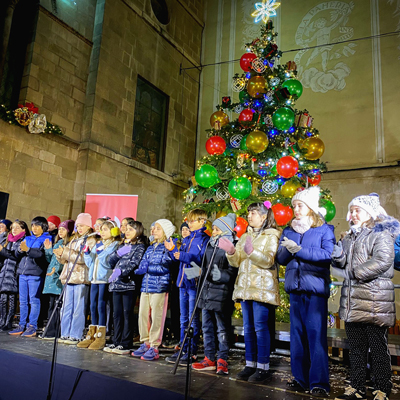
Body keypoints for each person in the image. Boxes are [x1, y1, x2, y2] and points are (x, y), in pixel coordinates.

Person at [332, 193, 400, 400]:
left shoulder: (381, 234)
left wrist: (354, 272)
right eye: (351, 210)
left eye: (357, 210)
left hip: (374, 302)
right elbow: (343, 265)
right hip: (354, 302)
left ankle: (382, 388)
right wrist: (338, 257)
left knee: (378, 349)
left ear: (369, 213)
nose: (352, 214)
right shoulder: (349, 237)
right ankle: (357, 386)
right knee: (356, 349)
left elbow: (383, 260)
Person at [276, 186, 335, 396]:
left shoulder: (324, 229)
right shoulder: (289, 230)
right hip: (295, 288)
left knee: (315, 336)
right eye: (294, 206)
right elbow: (281, 259)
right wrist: (286, 250)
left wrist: (300, 250)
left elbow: (328, 255)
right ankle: (300, 378)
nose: (296, 209)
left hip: (315, 289)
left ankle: (319, 382)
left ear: (310, 207)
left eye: (299, 205)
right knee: (297, 335)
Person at [220, 203, 281, 383]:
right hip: (246, 288)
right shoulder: (245, 235)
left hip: (262, 288)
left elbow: (269, 260)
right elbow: (237, 262)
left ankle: (263, 366)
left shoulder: (272, 235)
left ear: (263, 217)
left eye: (254, 213)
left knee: (261, 327)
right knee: (248, 328)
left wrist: (252, 252)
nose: (250, 215)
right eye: (249, 213)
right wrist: (231, 252)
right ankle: (250, 364)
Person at [191, 213, 238, 375]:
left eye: (217, 230)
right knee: (207, 326)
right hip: (206, 291)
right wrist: (198, 271)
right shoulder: (210, 245)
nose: (214, 232)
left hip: (222, 294)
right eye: (214, 229)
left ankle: (222, 359)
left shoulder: (232, 246)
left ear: (226, 230)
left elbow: (233, 272)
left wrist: (222, 276)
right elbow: (206, 268)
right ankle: (209, 357)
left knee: (222, 328)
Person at [165, 209, 209, 365]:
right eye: (188, 221)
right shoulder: (187, 239)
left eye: (192, 221)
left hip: (193, 283)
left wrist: (182, 255)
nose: (189, 224)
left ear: (202, 221)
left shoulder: (204, 239)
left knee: (192, 319)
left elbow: (201, 259)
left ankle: (191, 351)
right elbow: (178, 258)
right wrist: (172, 250)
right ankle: (183, 349)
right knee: (183, 319)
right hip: (183, 282)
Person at [132, 219, 175, 361]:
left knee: (157, 316)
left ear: (165, 231)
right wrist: (140, 268)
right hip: (146, 285)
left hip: (159, 286)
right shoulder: (150, 247)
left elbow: (166, 266)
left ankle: (154, 346)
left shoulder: (167, 246)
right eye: (153, 228)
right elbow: (144, 261)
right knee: (143, 314)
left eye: (157, 228)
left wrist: (147, 268)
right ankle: (145, 342)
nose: (153, 230)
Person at [105, 220, 147, 355]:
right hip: (116, 284)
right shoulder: (122, 245)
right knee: (116, 314)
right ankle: (116, 341)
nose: (127, 232)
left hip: (129, 284)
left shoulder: (140, 247)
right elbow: (110, 261)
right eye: (126, 229)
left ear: (138, 232)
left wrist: (121, 273)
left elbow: (135, 263)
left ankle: (125, 342)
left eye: (131, 229)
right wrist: (119, 253)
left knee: (126, 313)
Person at [79, 220, 120, 350]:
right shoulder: (99, 243)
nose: (102, 232)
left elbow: (107, 262)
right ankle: (92, 333)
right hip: (94, 278)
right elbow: (92, 263)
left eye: (105, 230)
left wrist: (101, 251)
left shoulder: (115, 245)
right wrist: (87, 254)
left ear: (113, 232)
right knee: (92, 305)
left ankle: (101, 335)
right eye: (101, 230)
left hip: (104, 279)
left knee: (101, 305)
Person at [57, 213, 96, 345]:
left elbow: (83, 259)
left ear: (89, 226)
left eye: (82, 225)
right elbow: (65, 260)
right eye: (78, 225)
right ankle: (64, 333)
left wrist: (66, 253)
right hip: (68, 277)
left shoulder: (91, 240)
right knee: (66, 307)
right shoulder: (73, 240)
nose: (79, 228)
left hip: (80, 277)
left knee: (78, 308)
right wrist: (60, 255)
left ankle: (76, 334)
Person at [9, 217, 51, 337]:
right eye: (33, 226)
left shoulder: (47, 239)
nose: (34, 228)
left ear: (43, 227)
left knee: (34, 301)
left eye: (37, 226)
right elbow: (17, 255)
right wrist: (19, 250)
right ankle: (21, 325)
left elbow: (41, 255)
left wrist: (28, 250)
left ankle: (32, 326)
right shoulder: (27, 238)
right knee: (22, 301)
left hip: (35, 274)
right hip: (23, 273)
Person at [40, 219, 75, 339]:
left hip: (59, 279)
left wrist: (57, 270)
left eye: (63, 229)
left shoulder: (68, 244)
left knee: (57, 306)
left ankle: (55, 330)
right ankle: (50, 330)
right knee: (51, 305)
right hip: (52, 277)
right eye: (59, 229)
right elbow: (51, 260)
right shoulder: (58, 242)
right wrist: (48, 250)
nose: (60, 231)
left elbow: (63, 261)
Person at [0, 220, 30, 332]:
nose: (14, 230)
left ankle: (9, 322)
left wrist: (2, 250)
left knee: (12, 299)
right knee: (3, 299)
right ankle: (2, 320)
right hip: (5, 273)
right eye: (13, 227)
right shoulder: (9, 240)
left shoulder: (23, 240)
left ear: (23, 229)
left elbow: (15, 256)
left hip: (14, 272)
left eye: (17, 228)